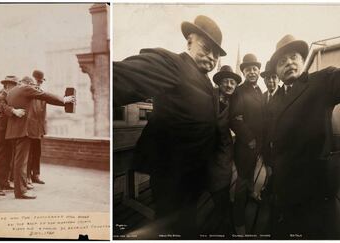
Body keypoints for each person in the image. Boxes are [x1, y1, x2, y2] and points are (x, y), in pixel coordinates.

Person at [113, 15, 227, 239]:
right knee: (171, 228)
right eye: (207, 48)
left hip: (196, 174)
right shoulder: (172, 64)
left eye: (217, 53)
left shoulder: (208, 83)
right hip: (172, 176)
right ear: (189, 42)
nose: (212, 57)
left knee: (188, 223)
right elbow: (118, 78)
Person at [266, 34, 340, 239]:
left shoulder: (322, 82)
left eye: (293, 57)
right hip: (284, 190)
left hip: (315, 192)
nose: (289, 64)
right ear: (276, 71)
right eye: (282, 61)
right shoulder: (274, 100)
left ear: (302, 61)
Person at [5, 76, 75, 199]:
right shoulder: (26, 88)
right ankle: (21, 192)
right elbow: (44, 95)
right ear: (27, 83)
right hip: (23, 131)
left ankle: (21, 189)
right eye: (33, 86)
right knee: (21, 162)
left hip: (14, 131)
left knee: (18, 161)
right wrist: (64, 100)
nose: (35, 88)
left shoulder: (11, 92)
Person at [229, 53, 264, 235]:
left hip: (257, 143)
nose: (252, 72)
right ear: (243, 72)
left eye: (254, 68)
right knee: (241, 182)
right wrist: (249, 138)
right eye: (248, 69)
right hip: (245, 145)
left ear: (258, 70)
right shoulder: (239, 91)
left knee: (250, 174)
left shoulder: (258, 90)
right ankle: (239, 221)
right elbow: (235, 119)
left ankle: (252, 192)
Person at [205, 65, 241, 234]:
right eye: (225, 81)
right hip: (207, 149)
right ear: (219, 83)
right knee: (215, 186)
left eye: (232, 82)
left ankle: (226, 222)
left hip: (224, 150)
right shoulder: (208, 96)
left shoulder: (233, 101)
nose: (229, 85)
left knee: (223, 185)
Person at [0, 75, 25, 196]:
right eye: (15, 85)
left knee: (7, 158)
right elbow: (2, 106)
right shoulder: (1, 96)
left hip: (8, 133)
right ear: (8, 85)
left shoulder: (10, 95)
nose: (17, 88)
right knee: (0, 159)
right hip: (1, 132)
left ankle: (4, 183)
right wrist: (14, 111)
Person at [26, 70, 47, 185]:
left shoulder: (42, 93)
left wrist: (43, 129)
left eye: (41, 81)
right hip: (29, 128)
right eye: (38, 81)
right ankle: (27, 176)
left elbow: (43, 112)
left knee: (37, 152)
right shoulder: (29, 91)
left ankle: (36, 175)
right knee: (28, 153)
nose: (40, 83)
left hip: (38, 128)